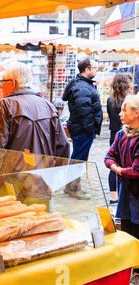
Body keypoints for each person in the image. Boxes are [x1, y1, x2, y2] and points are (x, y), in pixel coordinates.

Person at [0, 61, 70, 158]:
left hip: (15, 172)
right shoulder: (48, 106)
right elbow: (63, 146)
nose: (1, 85)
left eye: (3, 81)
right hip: (44, 171)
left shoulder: (3, 106)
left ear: (13, 83)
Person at [104, 94, 139, 285]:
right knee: (126, 228)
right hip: (126, 192)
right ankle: (127, 268)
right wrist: (118, 167)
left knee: (137, 229)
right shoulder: (120, 134)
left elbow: (136, 170)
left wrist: (117, 169)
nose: (120, 113)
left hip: (136, 192)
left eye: (124, 110)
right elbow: (109, 156)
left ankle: (138, 273)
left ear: (136, 113)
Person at [62, 58, 102, 199]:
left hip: (81, 128)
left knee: (78, 157)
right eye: (94, 67)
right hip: (82, 129)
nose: (96, 70)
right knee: (78, 159)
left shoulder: (82, 84)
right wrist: (90, 128)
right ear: (87, 69)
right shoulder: (82, 87)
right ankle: (73, 189)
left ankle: (72, 187)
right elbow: (82, 110)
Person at [106, 73, 134, 204]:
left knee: (114, 164)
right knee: (128, 164)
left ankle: (113, 197)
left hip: (114, 134)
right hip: (127, 134)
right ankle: (126, 195)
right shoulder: (129, 101)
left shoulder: (110, 99)